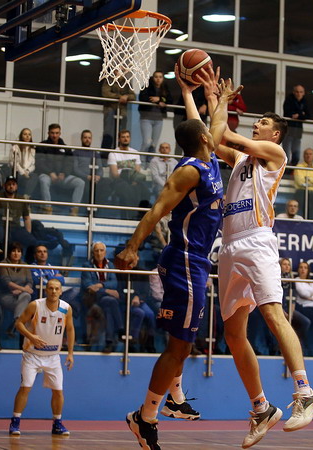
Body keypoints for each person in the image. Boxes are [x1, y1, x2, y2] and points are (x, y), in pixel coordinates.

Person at [200, 67, 313, 448]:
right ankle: (261, 408)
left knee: (272, 313)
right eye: (257, 122)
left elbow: (222, 133)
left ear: (275, 134)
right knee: (232, 333)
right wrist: (206, 98)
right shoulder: (240, 161)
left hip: (256, 241)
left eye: (263, 123)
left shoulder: (275, 153)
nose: (257, 125)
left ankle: (306, 393)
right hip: (230, 245)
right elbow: (210, 139)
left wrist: (220, 101)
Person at [115, 66, 236, 449]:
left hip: (193, 262)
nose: (215, 131)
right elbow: (156, 210)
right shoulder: (189, 172)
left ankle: (173, 401)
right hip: (185, 260)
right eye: (209, 131)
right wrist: (132, 247)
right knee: (180, 345)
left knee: (183, 340)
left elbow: (213, 122)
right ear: (203, 139)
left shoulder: (209, 158)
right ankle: (146, 416)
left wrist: (212, 96)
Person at [8, 278, 75, 436]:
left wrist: (70, 353)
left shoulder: (66, 308)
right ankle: (15, 422)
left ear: (61, 291)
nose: (53, 291)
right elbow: (19, 323)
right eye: (50, 288)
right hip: (32, 355)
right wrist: (31, 336)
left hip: (53, 356)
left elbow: (70, 329)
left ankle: (57, 424)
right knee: (25, 387)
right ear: (46, 290)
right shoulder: (36, 305)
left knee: (58, 391)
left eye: (56, 288)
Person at [81, 242, 123, 353]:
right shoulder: (87, 265)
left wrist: (100, 285)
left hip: (104, 299)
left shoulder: (111, 265)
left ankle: (109, 341)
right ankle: (120, 329)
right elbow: (88, 286)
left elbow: (114, 283)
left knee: (109, 306)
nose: (99, 253)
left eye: (101, 250)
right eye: (96, 250)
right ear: (93, 252)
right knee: (111, 300)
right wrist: (107, 290)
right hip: (92, 299)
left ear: (105, 252)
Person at [35, 123, 84, 216]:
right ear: (48, 133)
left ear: (60, 133)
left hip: (63, 177)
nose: (54, 135)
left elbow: (69, 163)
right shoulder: (41, 146)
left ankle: (74, 210)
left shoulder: (66, 148)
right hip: (47, 175)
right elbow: (40, 162)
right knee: (43, 180)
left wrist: (64, 173)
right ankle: (47, 208)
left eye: (57, 133)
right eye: (52, 133)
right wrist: (50, 172)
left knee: (80, 183)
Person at [107, 129, 150, 219]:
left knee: (145, 191)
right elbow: (115, 174)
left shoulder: (135, 153)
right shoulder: (113, 153)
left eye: (127, 137)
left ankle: (142, 217)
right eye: (123, 137)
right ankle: (131, 217)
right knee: (128, 190)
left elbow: (137, 170)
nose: (125, 139)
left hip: (133, 179)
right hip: (119, 181)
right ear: (119, 139)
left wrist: (134, 180)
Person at [31, 244, 80, 317]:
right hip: (43, 295)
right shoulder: (32, 267)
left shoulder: (51, 267)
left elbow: (62, 281)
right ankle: (62, 309)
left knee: (76, 290)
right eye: (39, 252)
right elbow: (38, 281)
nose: (42, 253)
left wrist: (47, 277)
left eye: (45, 251)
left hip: (56, 295)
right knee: (49, 290)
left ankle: (57, 308)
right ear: (35, 255)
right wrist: (54, 278)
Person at [0, 175, 37, 255]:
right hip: (0, 226)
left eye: (13, 184)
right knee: (3, 242)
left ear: (16, 186)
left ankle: (28, 261)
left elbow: (26, 218)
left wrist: (27, 233)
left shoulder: (21, 199)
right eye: (9, 184)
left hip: (15, 227)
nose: (11, 186)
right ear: (4, 185)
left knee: (32, 241)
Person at [0, 242, 33, 335]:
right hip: (6, 295)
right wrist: (24, 289)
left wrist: (21, 290)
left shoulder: (25, 265)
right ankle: (16, 325)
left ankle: (16, 323)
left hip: (21, 296)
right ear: (9, 252)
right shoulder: (3, 264)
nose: (16, 253)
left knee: (26, 296)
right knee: (26, 306)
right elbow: (6, 282)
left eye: (19, 251)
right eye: (13, 251)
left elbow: (29, 281)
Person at [73, 129, 112, 209]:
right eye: (85, 138)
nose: (87, 140)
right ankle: (88, 210)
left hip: (95, 179)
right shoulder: (76, 152)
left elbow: (100, 168)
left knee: (108, 184)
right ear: (81, 139)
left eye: (89, 138)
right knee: (87, 188)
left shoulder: (95, 153)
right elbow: (75, 169)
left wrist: (98, 176)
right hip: (83, 178)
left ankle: (97, 208)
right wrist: (87, 176)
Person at [138, 70, 173, 161]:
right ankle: (141, 162)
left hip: (159, 119)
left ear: (163, 79)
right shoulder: (147, 86)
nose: (158, 79)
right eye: (156, 77)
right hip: (146, 117)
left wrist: (160, 99)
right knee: (147, 142)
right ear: (153, 78)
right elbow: (143, 97)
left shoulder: (165, 88)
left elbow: (169, 100)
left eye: (160, 77)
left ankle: (150, 163)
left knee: (154, 144)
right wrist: (157, 100)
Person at [100, 75, 136, 150]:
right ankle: (105, 152)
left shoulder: (126, 81)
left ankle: (120, 150)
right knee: (108, 132)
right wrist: (119, 97)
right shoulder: (109, 80)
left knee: (122, 132)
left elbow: (133, 96)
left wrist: (126, 97)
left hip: (122, 111)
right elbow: (106, 93)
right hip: (109, 108)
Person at [282, 84, 311, 167]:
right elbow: (287, 113)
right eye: (297, 92)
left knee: (296, 154)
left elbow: (308, 115)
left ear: (304, 93)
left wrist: (298, 115)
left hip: (298, 131)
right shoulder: (289, 99)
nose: (299, 94)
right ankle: (285, 170)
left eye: (301, 92)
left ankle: (293, 170)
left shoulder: (305, 101)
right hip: (288, 130)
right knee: (286, 154)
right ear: (294, 92)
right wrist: (301, 113)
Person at [9, 128, 38, 197]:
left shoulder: (33, 149)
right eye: (25, 134)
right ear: (21, 136)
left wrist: (27, 171)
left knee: (35, 177)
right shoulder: (15, 147)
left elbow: (33, 165)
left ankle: (26, 196)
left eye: (29, 134)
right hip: (18, 172)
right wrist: (22, 172)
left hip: (28, 172)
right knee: (19, 177)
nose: (27, 136)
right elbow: (13, 162)